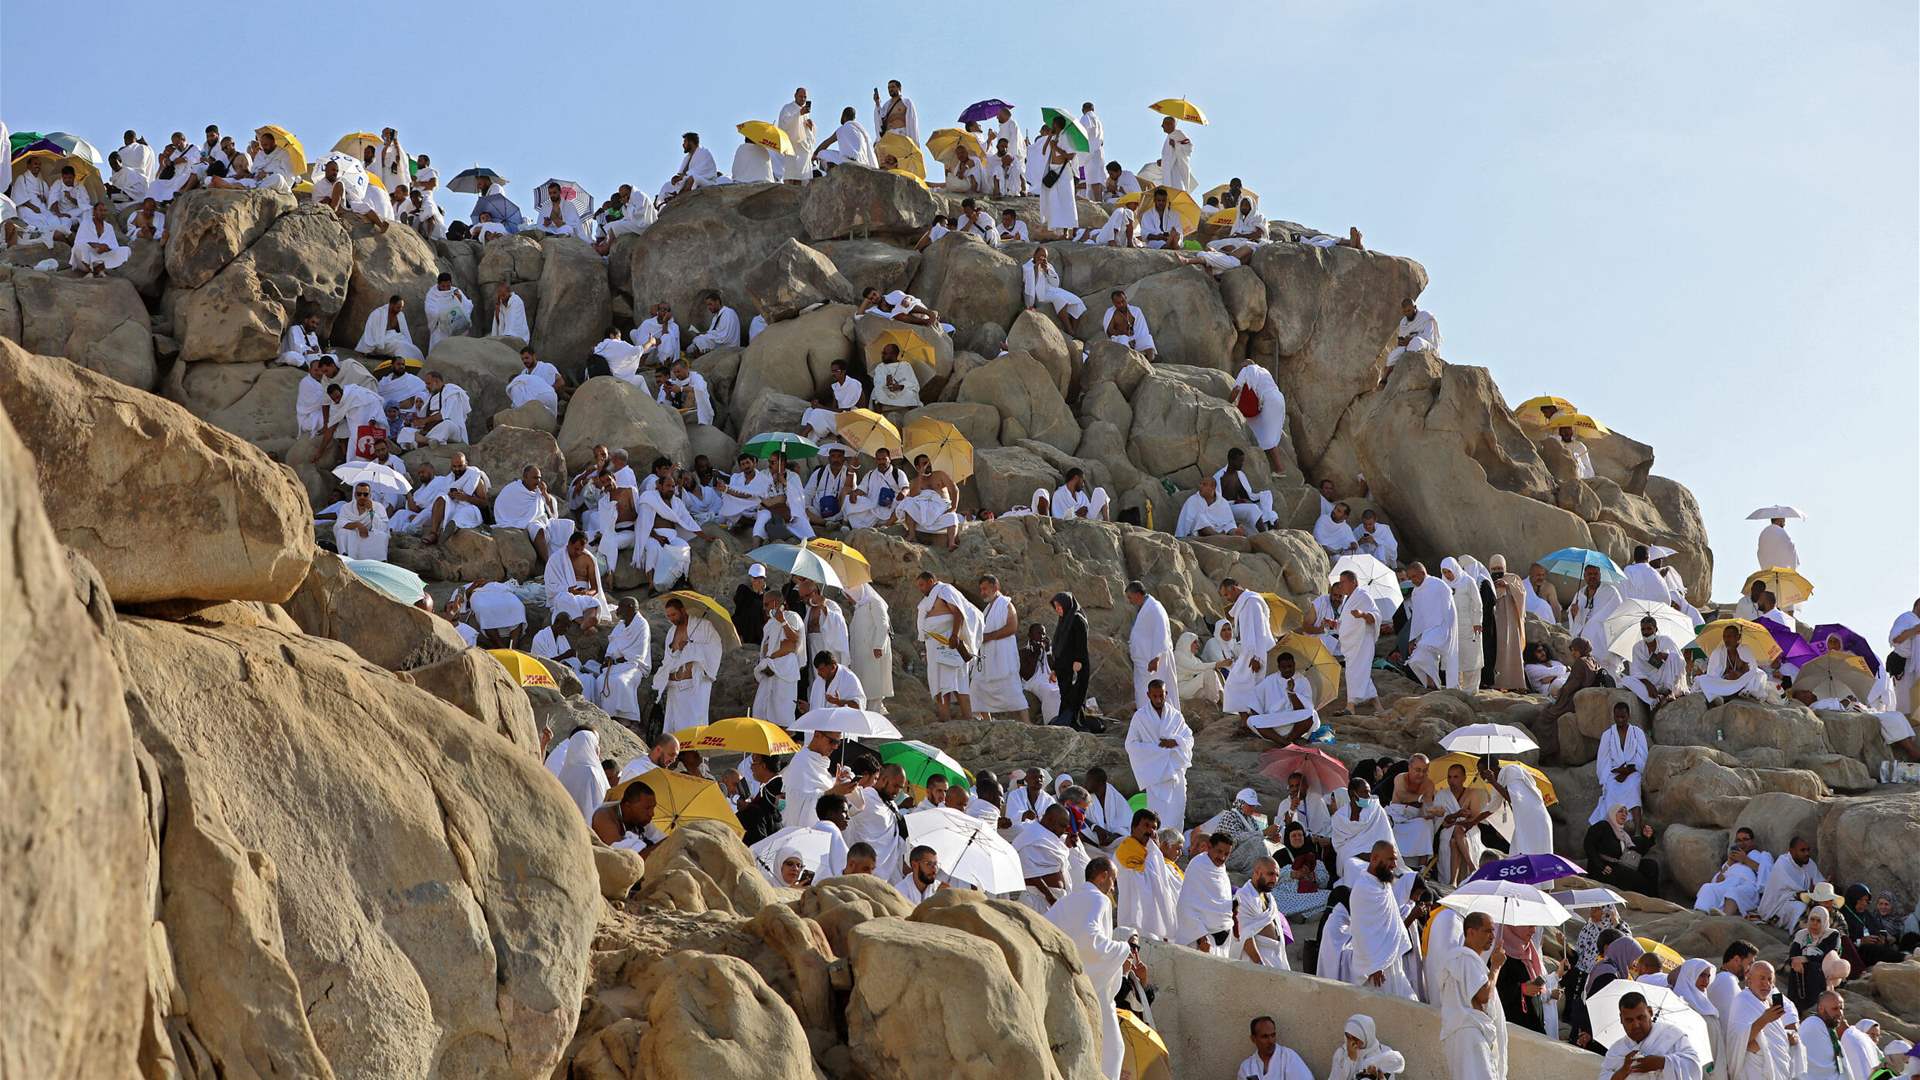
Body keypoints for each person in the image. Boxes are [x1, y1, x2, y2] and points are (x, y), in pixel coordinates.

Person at [1045, 858, 1143, 1080]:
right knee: (1113, 1050)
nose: (1113, 887)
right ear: (1102, 876)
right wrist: (1123, 950)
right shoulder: (1099, 899)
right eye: (1113, 879)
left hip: (1059, 982)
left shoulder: (1066, 902)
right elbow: (1090, 941)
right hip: (1089, 988)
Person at [1438, 911, 1509, 1080]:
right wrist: (1496, 967)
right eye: (1487, 931)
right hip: (1469, 1035)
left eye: (1493, 931)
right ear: (1471, 932)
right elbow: (1484, 995)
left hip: (1467, 1034)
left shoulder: (1467, 960)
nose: (1492, 936)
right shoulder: (1465, 959)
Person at [1347, 841, 1416, 999]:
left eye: (1395, 859)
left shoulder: (1383, 884)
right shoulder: (1363, 888)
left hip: (1392, 960)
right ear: (1375, 859)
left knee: (1408, 1002)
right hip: (1376, 968)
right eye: (1390, 859)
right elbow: (1361, 932)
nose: (1394, 865)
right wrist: (1374, 966)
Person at [1124, 677, 1192, 831]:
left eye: (1161, 695)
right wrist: (1156, 750)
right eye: (1154, 696)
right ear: (1148, 695)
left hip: (1175, 772)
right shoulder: (1140, 717)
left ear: (1166, 693)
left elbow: (1188, 738)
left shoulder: (1175, 715)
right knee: (1158, 812)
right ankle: (1158, 843)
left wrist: (1175, 742)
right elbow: (1131, 744)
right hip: (1155, 773)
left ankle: (1175, 845)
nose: (1158, 699)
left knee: (1177, 811)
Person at [651, 597, 723, 734]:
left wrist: (692, 647)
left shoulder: (704, 626)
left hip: (695, 687)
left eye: (674, 614)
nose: (671, 618)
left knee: (694, 726)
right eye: (668, 616)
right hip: (675, 689)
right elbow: (668, 659)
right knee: (675, 729)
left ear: (683, 611)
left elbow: (715, 648)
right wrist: (676, 650)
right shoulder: (671, 632)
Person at [1722, 961, 1802, 1080]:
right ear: (1749, 981)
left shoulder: (1768, 1002)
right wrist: (1764, 1019)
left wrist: (1787, 1035)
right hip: (1755, 1068)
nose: (1766, 983)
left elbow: (1773, 1035)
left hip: (1778, 1066)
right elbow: (1739, 1038)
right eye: (1762, 978)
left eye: (1770, 979)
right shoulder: (1742, 1001)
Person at [1599, 991, 1705, 1080]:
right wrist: (1623, 1071)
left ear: (1650, 1012)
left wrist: (1662, 1062)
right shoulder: (1616, 1050)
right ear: (1621, 1019)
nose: (1636, 1025)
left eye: (1641, 1018)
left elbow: (1693, 1066)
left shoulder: (1671, 1035)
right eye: (1629, 1020)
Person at [968, 575, 1025, 720]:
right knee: (976, 687)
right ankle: (987, 721)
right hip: (987, 658)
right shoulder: (987, 609)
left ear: (995, 587)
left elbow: (1012, 627)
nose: (983, 592)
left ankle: (1027, 721)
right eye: (981, 589)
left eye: (985, 588)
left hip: (1002, 656)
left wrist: (989, 637)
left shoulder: (1005, 604)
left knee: (1013, 691)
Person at [1222, 578, 1276, 713]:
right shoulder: (1246, 603)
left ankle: (1249, 722)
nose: (1226, 598)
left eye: (1226, 594)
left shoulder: (1251, 602)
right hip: (1250, 652)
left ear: (1234, 589)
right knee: (1238, 686)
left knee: (1235, 685)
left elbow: (1259, 632)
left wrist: (1257, 658)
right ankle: (1247, 721)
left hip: (1257, 653)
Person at [752, 590, 805, 728]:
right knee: (761, 711)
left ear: (775, 602)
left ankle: (784, 747)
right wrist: (764, 663)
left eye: (766, 604)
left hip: (785, 671)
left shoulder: (792, 616)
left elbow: (795, 642)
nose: (764, 608)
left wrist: (783, 622)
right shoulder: (769, 624)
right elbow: (766, 648)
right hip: (769, 671)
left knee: (782, 715)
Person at [1695, 828, 1776, 916]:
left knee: (1733, 892)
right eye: (1739, 840)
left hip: (1748, 886)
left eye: (1745, 839)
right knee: (1707, 887)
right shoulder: (1730, 861)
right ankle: (1700, 914)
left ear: (1752, 842)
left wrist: (1745, 859)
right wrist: (1729, 863)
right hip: (1728, 883)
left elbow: (1767, 875)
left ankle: (1724, 917)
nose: (1742, 843)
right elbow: (1718, 881)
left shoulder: (1762, 856)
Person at [1175, 832, 1235, 951]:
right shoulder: (1198, 866)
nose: (1222, 857)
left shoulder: (1222, 871)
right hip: (1201, 941)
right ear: (1209, 847)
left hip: (1221, 942)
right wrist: (1201, 938)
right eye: (1219, 851)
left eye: (1226, 854)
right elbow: (1186, 905)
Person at [1593, 702, 1649, 829]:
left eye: (1623, 717)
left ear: (1628, 716)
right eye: (1617, 717)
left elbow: (1643, 757)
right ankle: (1612, 827)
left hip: (1634, 771)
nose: (1620, 720)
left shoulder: (1637, 733)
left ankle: (1637, 828)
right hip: (1615, 773)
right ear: (1613, 716)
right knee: (1611, 789)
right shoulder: (1607, 735)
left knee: (1634, 786)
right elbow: (1603, 759)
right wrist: (1615, 772)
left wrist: (1628, 771)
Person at [1483, 758, 1554, 855]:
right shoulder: (1499, 781)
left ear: (1492, 768)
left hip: (1536, 820)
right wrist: (1471, 823)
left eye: (1482, 771)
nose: (1481, 776)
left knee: (1538, 857)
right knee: (1518, 854)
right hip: (1523, 823)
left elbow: (1515, 798)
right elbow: (1491, 808)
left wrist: (1493, 782)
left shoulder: (1511, 770)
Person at [1251, 652, 1322, 746]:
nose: (1288, 669)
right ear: (1279, 667)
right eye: (1284, 667)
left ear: (1294, 665)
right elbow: (1254, 702)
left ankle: (1287, 740)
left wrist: (1291, 693)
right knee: (1252, 720)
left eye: (1290, 666)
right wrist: (1262, 717)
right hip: (1274, 723)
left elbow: (1303, 709)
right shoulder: (1270, 680)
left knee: (1311, 715)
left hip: (1295, 724)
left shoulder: (1302, 681)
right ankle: (1285, 742)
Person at [1405, 562, 1458, 690]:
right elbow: (1417, 616)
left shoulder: (1438, 585)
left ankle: (1450, 686)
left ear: (1423, 573)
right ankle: (1432, 683)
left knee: (1425, 647)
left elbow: (1449, 609)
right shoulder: (1415, 592)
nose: (1412, 580)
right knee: (1416, 658)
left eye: (1414, 577)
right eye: (1410, 578)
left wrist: (1446, 629)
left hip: (1443, 627)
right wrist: (1413, 638)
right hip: (1428, 631)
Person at [1785, 904, 1846, 1013]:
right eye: (1812, 919)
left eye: (1818, 921)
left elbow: (1827, 955)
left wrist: (1806, 959)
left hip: (1825, 972)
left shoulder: (1832, 935)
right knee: (1796, 969)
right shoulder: (1801, 934)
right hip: (1801, 971)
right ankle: (1794, 1008)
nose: (1814, 923)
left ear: (1824, 921)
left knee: (1813, 967)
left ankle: (1815, 1005)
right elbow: (1793, 954)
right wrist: (1796, 962)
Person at [1586, 804, 1659, 894]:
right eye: (1620, 811)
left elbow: (1635, 853)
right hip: (1603, 869)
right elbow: (1588, 845)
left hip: (1620, 864)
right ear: (1612, 813)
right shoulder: (1602, 826)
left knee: (1651, 866)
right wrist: (1600, 865)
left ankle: (1655, 898)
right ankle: (1646, 901)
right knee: (1635, 877)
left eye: (1626, 812)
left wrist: (1647, 838)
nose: (1624, 814)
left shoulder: (1623, 835)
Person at [1013, 805, 1073, 912]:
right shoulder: (1030, 837)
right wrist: (1050, 897)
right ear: (1049, 819)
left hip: (1055, 901)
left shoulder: (1049, 837)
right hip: (1037, 900)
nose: (1064, 831)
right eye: (1062, 826)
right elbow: (1030, 873)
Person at [1030, 113, 1080, 239]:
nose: (1051, 126)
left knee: (1065, 200)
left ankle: (1067, 232)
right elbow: (1043, 151)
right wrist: (1050, 138)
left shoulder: (1067, 137)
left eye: (1053, 124)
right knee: (1054, 201)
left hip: (1063, 173)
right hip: (1052, 170)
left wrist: (1056, 148)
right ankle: (1058, 232)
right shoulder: (1054, 137)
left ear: (1056, 124)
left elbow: (1070, 156)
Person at [1758, 836, 1823, 929]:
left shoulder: (1809, 863)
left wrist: (1826, 885)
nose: (1807, 853)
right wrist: (1813, 895)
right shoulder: (1783, 864)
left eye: (1808, 850)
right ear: (1791, 851)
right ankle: (1800, 936)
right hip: (1778, 906)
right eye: (1802, 850)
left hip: (1805, 898)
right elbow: (1795, 894)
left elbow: (1820, 883)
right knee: (1800, 908)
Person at [1697, 625, 1772, 704]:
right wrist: (1727, 676)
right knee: (1702, 679)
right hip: (1725, 682)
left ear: (1738, 637)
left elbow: (1751, 670)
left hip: (1741, 681)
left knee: (1758, 674)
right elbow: (1712, 673)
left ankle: (1723, 694)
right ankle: (1719, 695)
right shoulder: (1719, 651)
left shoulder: (1745, 650)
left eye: (1729, 636)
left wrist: (1739, 674)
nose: (1726, 640)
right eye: (1724, 636)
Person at [1622, 617, 1686, 709]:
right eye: (1643, 629)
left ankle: (1669, 692)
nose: (1646, 632)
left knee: (1673, 657)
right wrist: (1649, 685)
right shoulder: (1637, 647)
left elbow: (1681, 662)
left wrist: (1666, 656)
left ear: (1656, 629)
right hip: (1647, 681)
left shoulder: (1665, 641)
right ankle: (1655, 700)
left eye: (1649, 628)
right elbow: (1635, 670)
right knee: (1626, 680)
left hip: (1666, 679)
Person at [1050, 592, 1092, 729]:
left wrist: (1079, 660)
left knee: (1075, 696)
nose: (1057, 609)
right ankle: (1068, 722)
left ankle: (1071, 722)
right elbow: (1059, 646)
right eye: (1055, 607)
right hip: (1064, 668)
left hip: (1076, 667)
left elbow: (1081, 642)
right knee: (1066, 696)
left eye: (1059, 606)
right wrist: (1055, 669)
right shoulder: (1064, 621)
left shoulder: (1077, 619)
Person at [1021, 245, 1084, 329]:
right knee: (1060, 300)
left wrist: (1047, 271)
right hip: (1040, 294)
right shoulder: (1027, 267)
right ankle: (1069, 329)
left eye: (1044, 256)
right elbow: (1029, 283)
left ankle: (1074, 331)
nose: (1042, 258)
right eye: (1040, 255)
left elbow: (1055, 283)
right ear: (1035, 255)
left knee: (1077, 301)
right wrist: (1035, 268)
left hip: (1052, 290)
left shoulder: (1048, 265)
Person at [1237, 1016, 1313, 1080]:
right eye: (1265, 1037)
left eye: (1273, 1035)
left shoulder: (1288, 1057)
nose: (1271, 1041)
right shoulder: (1246, 1068)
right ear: (1253, 1039)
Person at [69, 202, 129, 276]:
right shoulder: (85, 223)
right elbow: (79, 241)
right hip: (87, 258)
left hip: (101, 259)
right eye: (100, 210)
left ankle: (96, 270)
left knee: (126, 251)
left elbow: (114, 246)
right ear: (94, 211)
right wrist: (97, 245)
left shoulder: (109, 227)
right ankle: (92, 270)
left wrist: (106, 247)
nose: (103, 213)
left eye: (105, 210)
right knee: (78, 248)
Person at [332, 483, 390, 560]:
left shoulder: (378, 507)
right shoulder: (346, 507)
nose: (362, 497)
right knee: (341, 532)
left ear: (370, 495)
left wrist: (371, 511)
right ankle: (345, 557)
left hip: (369, 536)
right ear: (355, 495)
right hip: (353, 534)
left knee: (381, 536)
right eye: (359, 494)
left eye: (365, 494)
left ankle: (377, 560)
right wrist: (357, 525)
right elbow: (339, 524)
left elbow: (383, 527)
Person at [1384, 298, 1441, 375]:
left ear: (1415, 307)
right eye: (1405, 312)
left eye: (1409, 310)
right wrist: (1402, 342)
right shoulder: (1403, 322)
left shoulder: (1425, 316)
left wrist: (1411, 339)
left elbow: (1429, 338)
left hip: (1427, 346)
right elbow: (1402, 339)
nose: (1407, 313)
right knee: (1393, 355)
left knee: (1416, 341)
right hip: (1408, 346)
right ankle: (1385, 379)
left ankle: (1407, 368)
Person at [1175, 474, 1242, 538]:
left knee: (1230, 525)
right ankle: (1218, 536)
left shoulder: (1223, 502)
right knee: (1200, 518)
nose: (1200, 486)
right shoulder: (1192, 500)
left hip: (1219, 528)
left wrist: (1233, 528)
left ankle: (1236, 534)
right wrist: (1182, 534)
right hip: (1202, 531)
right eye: (1200, 484)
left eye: (1204, 484)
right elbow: (1186, 520)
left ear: (1213, 487)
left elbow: (1229, 520)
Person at [1101, 289, 1156, 359]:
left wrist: (1134, 339)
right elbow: (1109, 331)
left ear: (1126, 298)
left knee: (1148, 339)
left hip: (1135, 338)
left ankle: (1147, 363)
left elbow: (1142, 329)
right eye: (1118, 303)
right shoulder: (1111, 313)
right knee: (1123, 340)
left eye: (1123, 301)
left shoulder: (1136, 311)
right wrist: (1123, 333)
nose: (1121, 304)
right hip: (1120, 339)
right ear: (1113, 303)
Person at [1156, 115, 1194, 191]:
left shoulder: (1178, 134)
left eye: (1164, 123)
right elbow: (1170, 156)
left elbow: (1189, 147)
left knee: (1178, 190)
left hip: (1177, 171)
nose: (1162, 126)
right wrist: (1163, 161)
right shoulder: (1169, 137)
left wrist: (1176, 145)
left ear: (1171, 124)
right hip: (1168, 172)